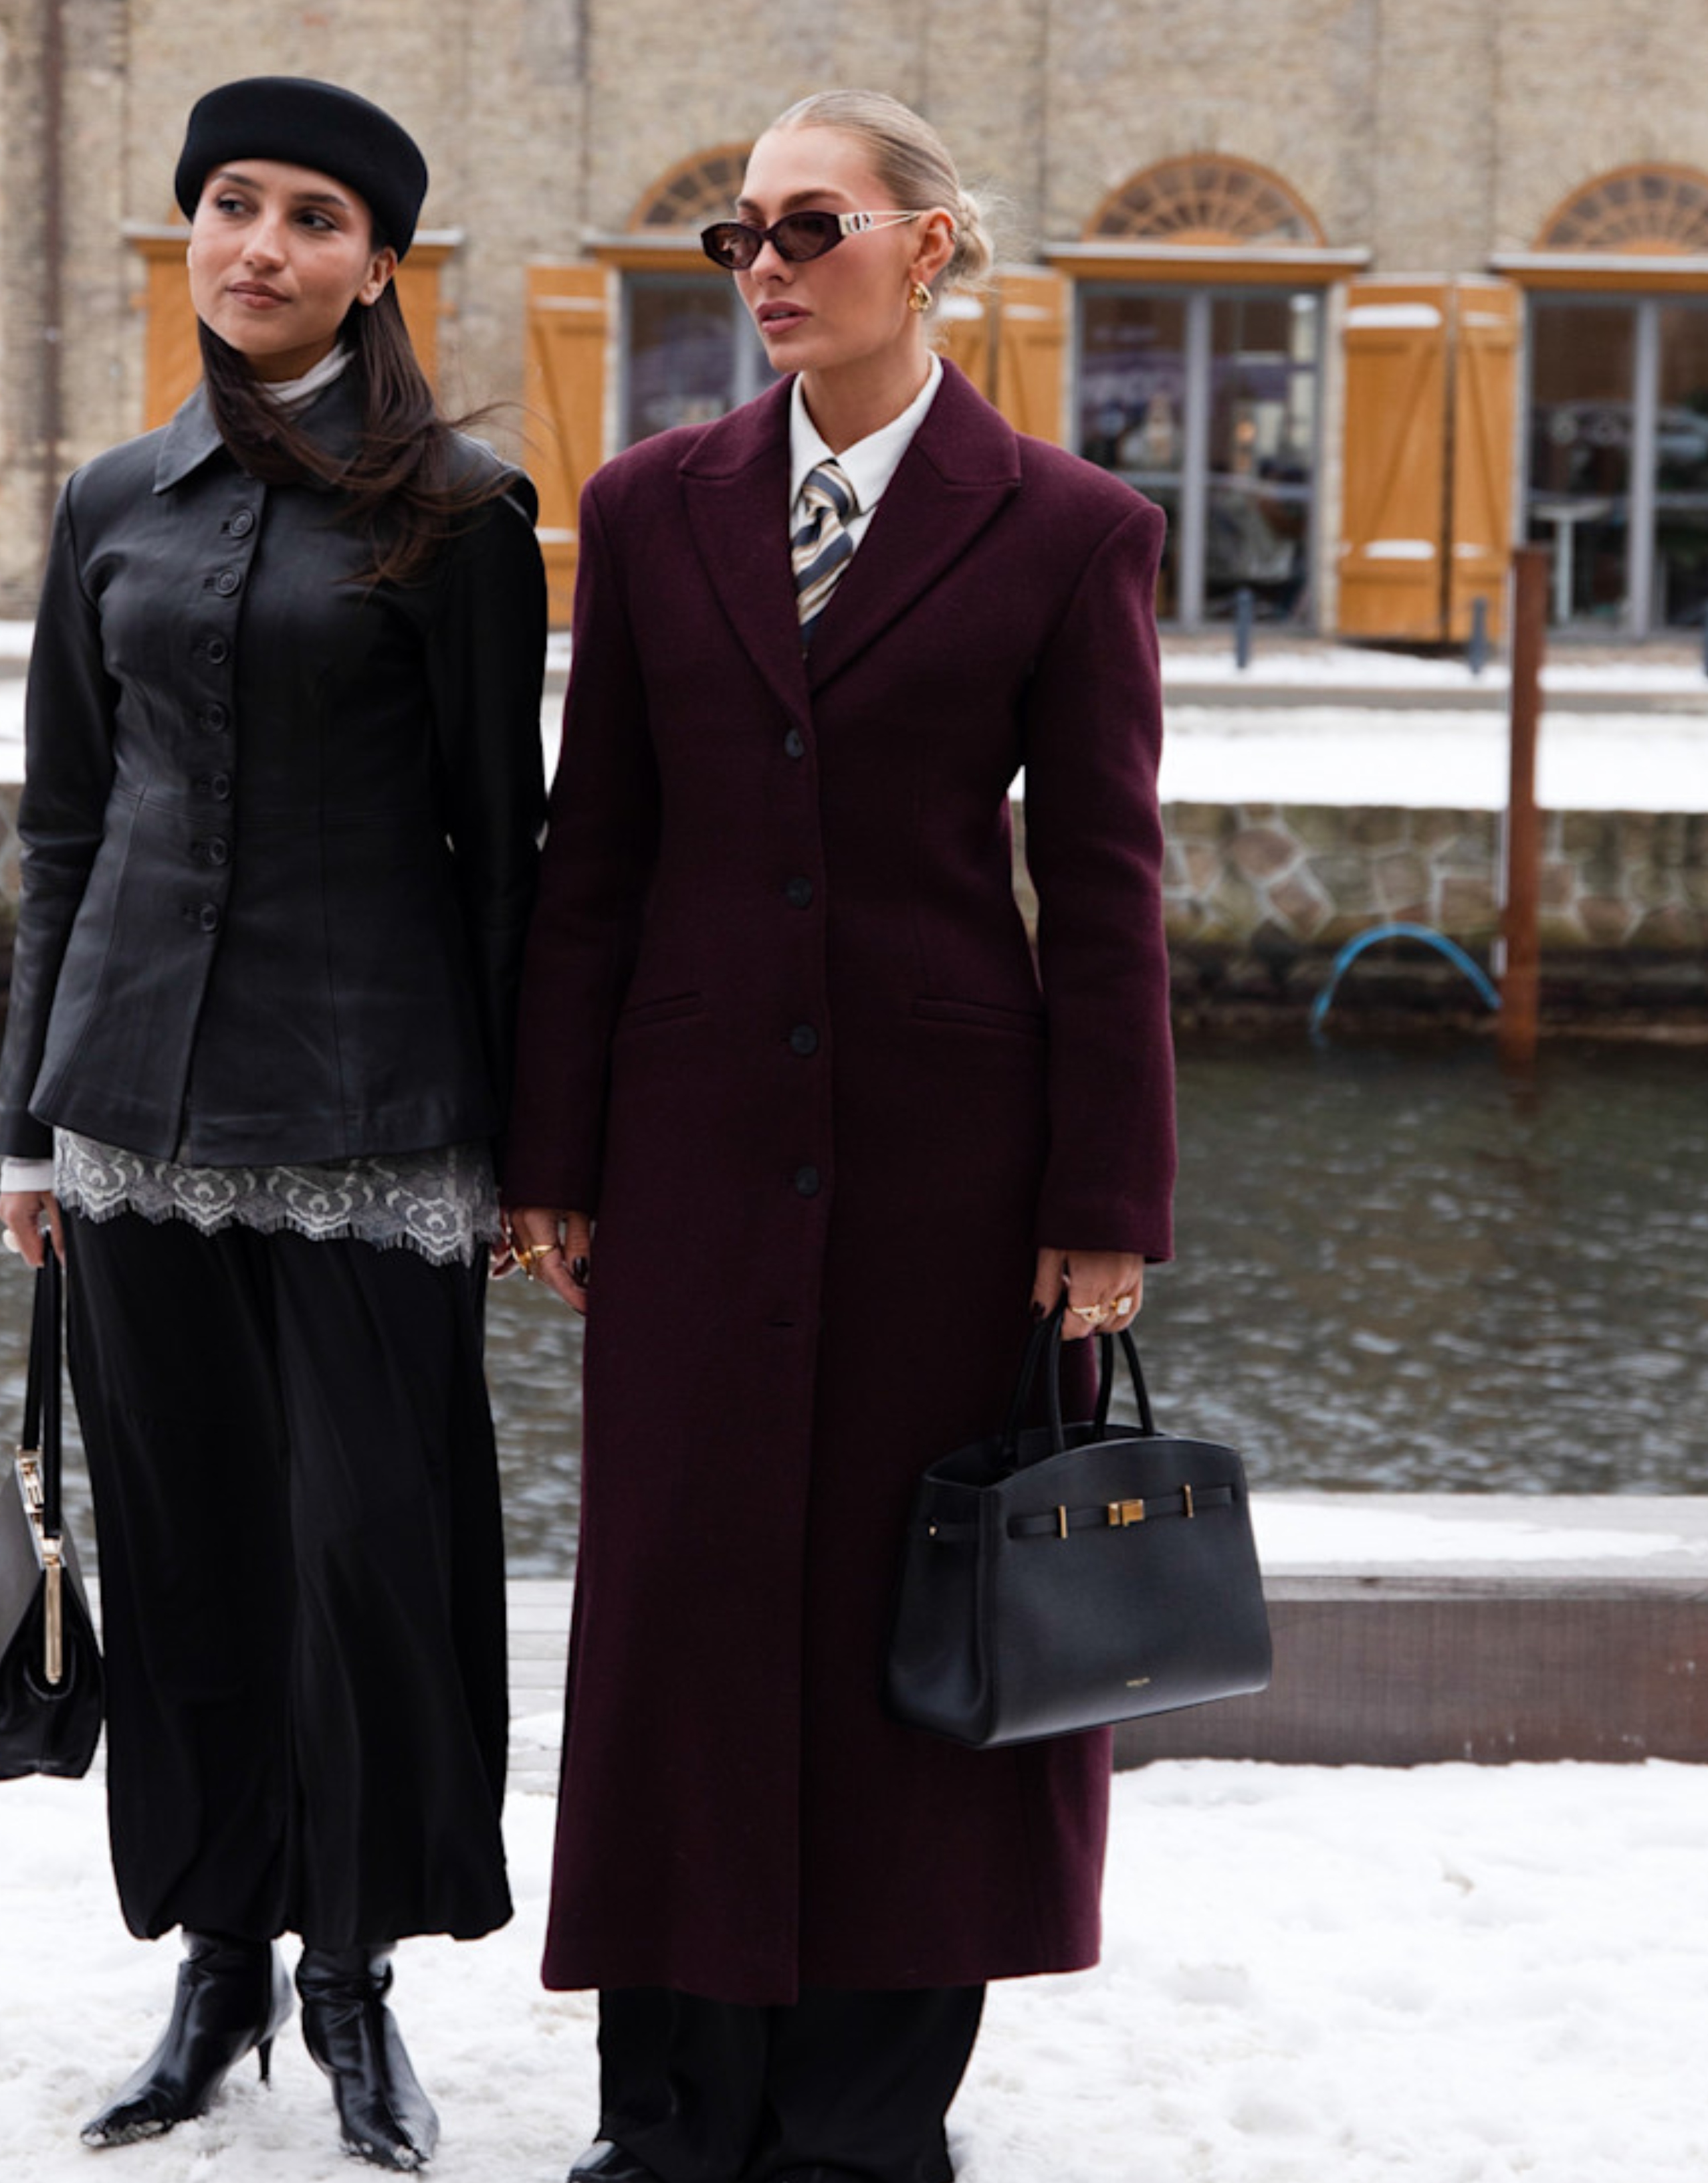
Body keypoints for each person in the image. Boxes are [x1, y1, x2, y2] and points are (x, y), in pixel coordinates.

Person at [502, 89, 1174, 2183]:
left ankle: (872, 2123)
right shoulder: (645, 505)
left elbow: (1111, 878)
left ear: (933, 246)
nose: (767, 267)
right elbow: (590, 849)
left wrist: (1106, 1203)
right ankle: (670, 2115)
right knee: (681, 1627)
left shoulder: (1067, 527)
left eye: (810, 225)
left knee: (926, 1636)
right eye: (738, 238)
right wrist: (552, 1153)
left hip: (955, 1182)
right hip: (689, 1159)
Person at [0, 75, 546, 2167]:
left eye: (313, 218)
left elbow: (512, 854)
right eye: (231, 205)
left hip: (381, 1121)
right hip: (127, 1111)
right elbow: (62, 826)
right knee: (196, 1551)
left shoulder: (464, 518)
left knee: (365, 1561)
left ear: (377, 263)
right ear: (191, 231)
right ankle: (216, 1963)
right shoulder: (110, 496)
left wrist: (528, 1146)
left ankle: (355, 1978)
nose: (261, 246)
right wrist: (30, 1127)